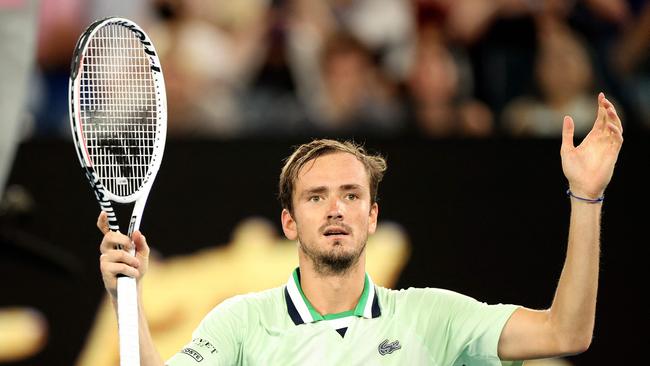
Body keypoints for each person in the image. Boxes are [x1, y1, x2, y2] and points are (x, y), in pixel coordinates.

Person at [97, 93, 623, 365]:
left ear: (372, 216)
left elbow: (567, 333)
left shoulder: (433, 317)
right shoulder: (240, 323)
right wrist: (128, 295)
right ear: (288, 221)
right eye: (316, 197)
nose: (335, 209)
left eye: (351, 195)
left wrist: (587, 197)